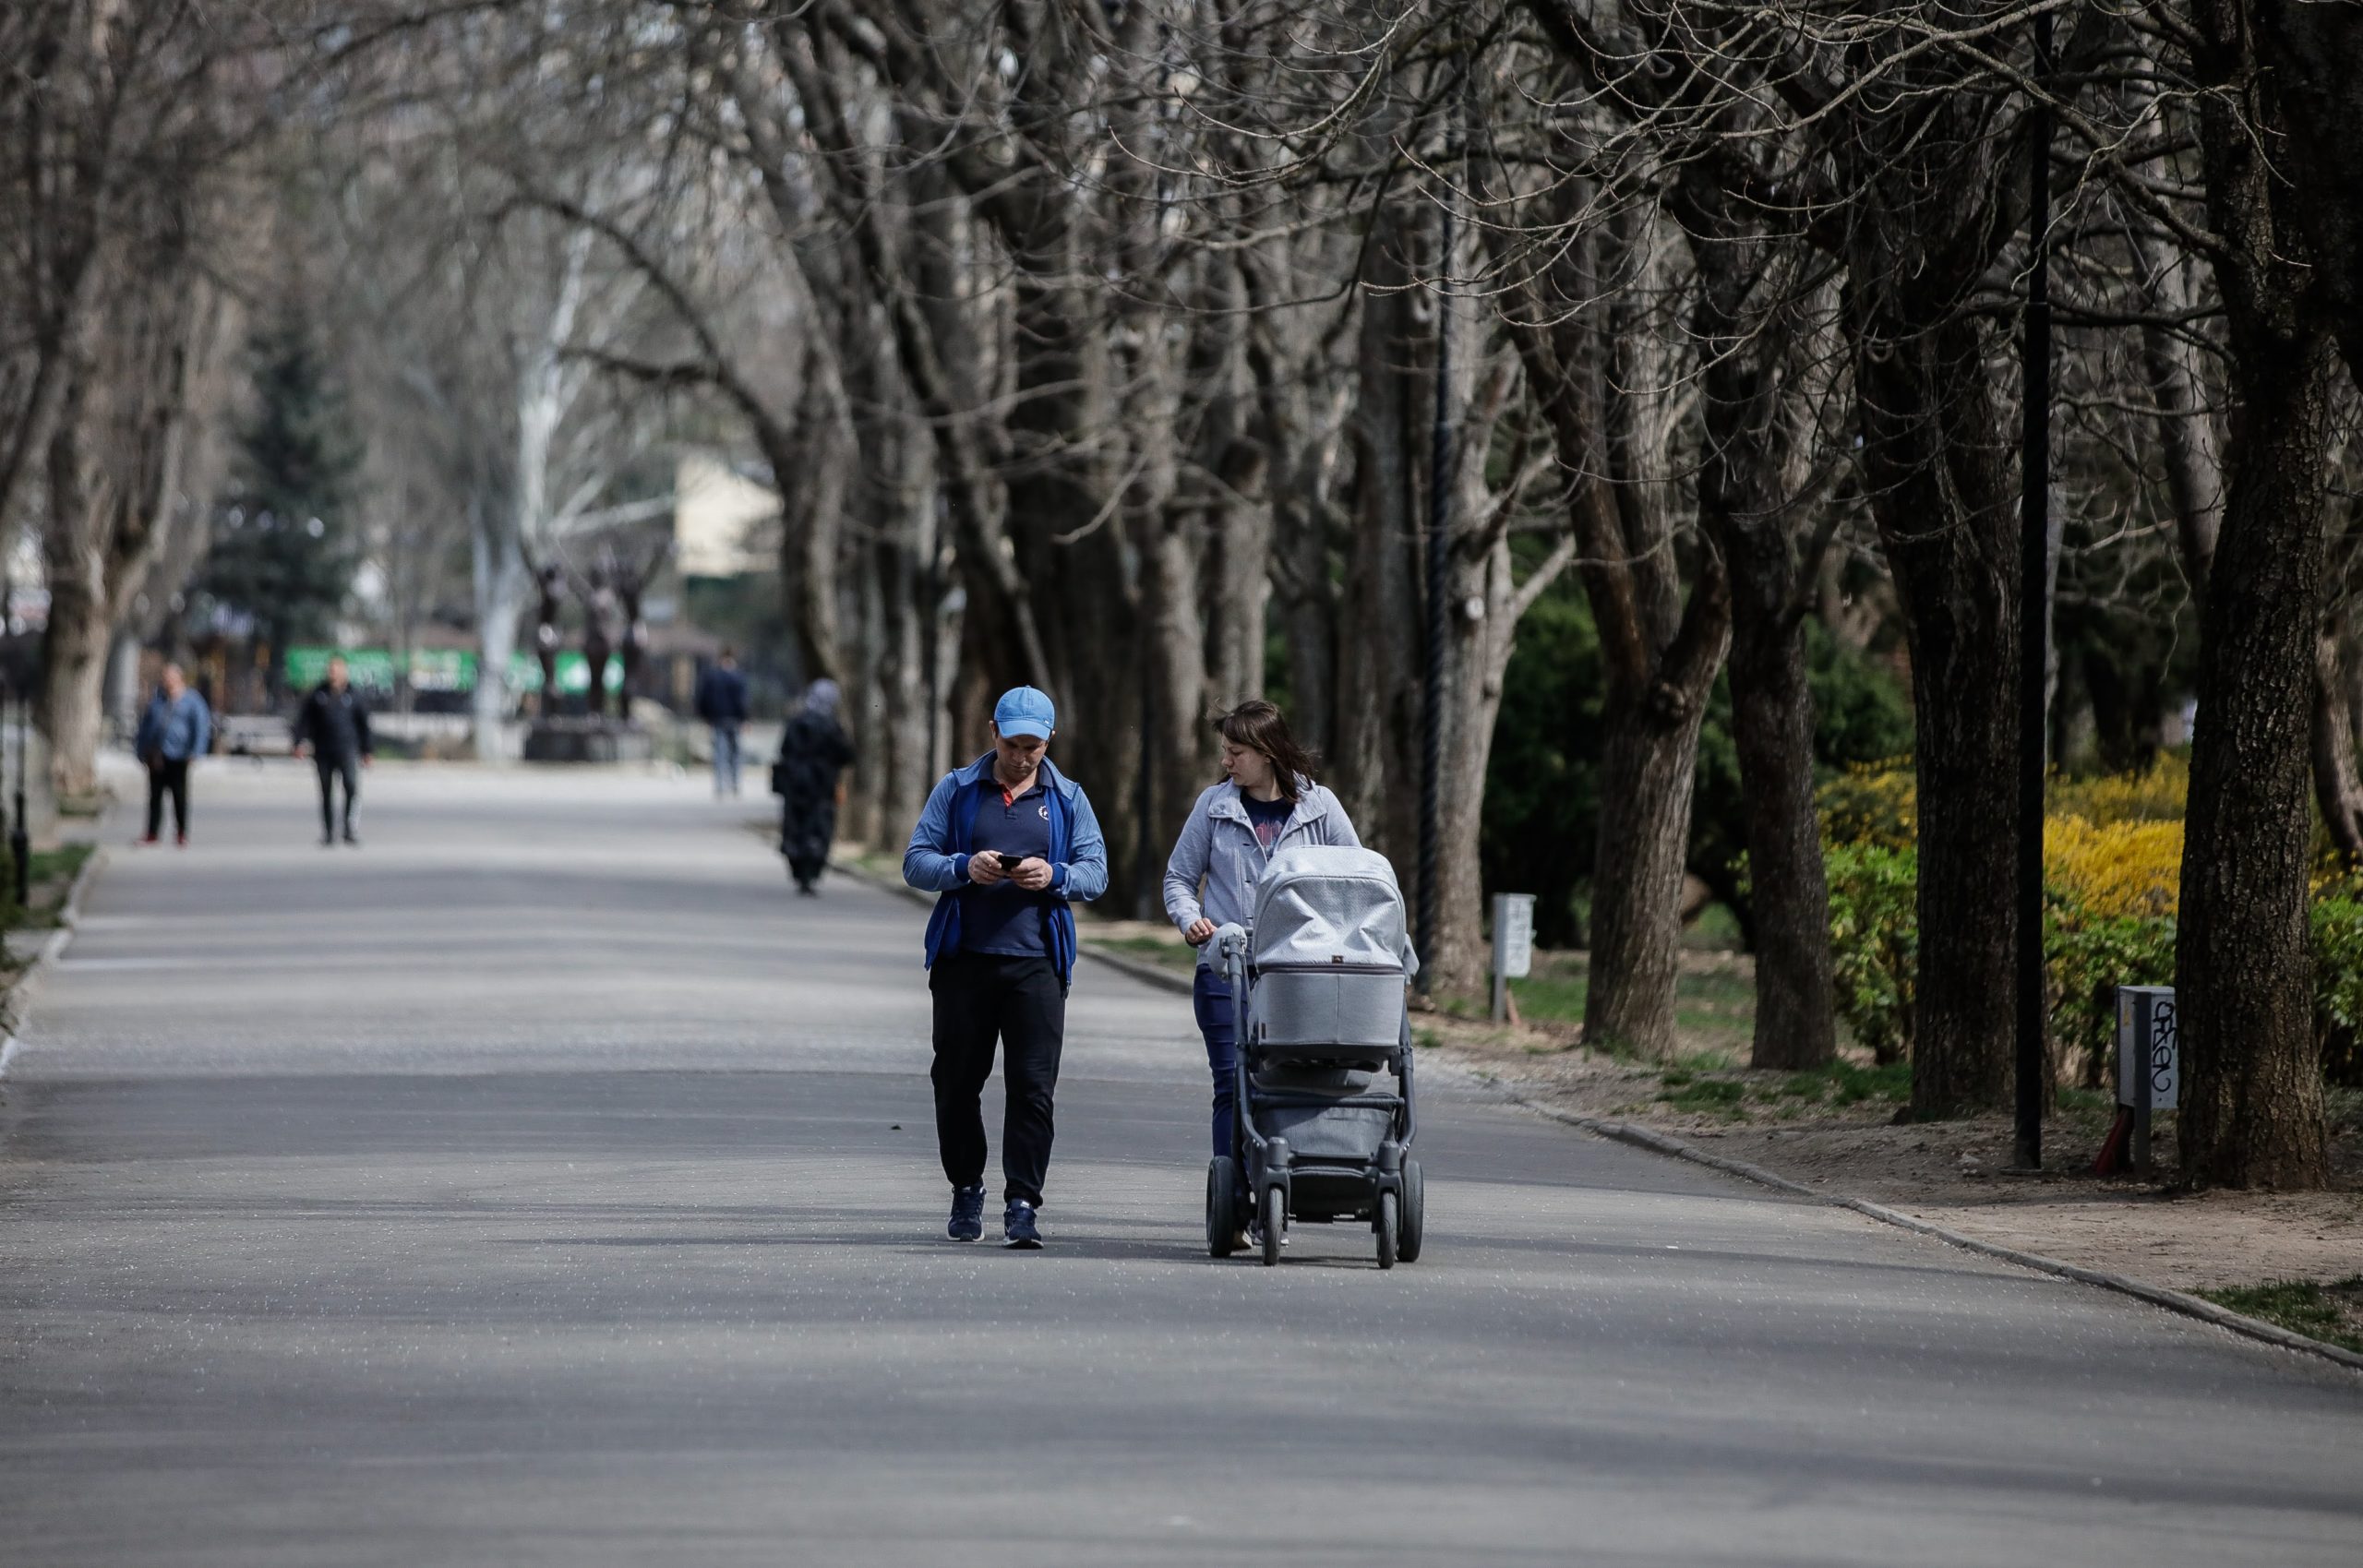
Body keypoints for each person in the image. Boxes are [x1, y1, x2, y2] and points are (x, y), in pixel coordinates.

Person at [904, 686, 1108, 1249]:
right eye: (1013, 743)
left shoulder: (1067, 798)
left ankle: (1023, 1203)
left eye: (1033, 747)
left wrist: (1056, 876)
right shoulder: (958, 789)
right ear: (992, 731)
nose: (1022, 757)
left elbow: (1096, 870)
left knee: (1033, 1088)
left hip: (1036, 964)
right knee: (955, 1082)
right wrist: (965, 867)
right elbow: (915, 862)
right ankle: (966, 1187)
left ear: (1049, 742)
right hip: (964, 962)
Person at [1163, 700, 1361, 1239]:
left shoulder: (1320, 808)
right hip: (1226, 970)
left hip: (1301, 975)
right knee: (1232, 1082)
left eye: (1237, 752)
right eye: (1225, 751)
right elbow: (1179, 879)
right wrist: (1191, 921)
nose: (1227, 761)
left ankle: (1282, 1179)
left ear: (1268, 753)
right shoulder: (1213, 807)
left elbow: (1356, 879)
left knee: (1288, 1080)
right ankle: (1235, 1202)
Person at [774, 678, 854, 892]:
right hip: (822, 785)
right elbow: (846, 754)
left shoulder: (797, 720)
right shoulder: (832, 725)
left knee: (795, 825)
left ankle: (798, 865)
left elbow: (784, 749)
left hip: (796, 782)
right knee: (818, 827)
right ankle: (811, 869)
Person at [292, 654, 374, 846]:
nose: (333, 674)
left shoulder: (354, 695)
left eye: (337, 670)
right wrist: (298, 742)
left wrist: (367, 750)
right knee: (326, 792)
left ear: (344, 671)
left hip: (347, 750)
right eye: (330, 670)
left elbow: (364, 725)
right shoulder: (318, 694)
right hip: (323, 750)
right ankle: (329, 832)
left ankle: (349, 829)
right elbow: (304, 721)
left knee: (352, 788)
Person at [133, 663, 211, 848]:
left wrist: (196, 751)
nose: (165, 681)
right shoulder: (157, 700)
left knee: (179, 796)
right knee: (155, 796)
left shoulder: (192, 701)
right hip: (157, 755)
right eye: (164, 677)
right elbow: (146, 727)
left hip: (179, 754)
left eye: (169, 677)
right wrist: (140, 750)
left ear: (179, 678)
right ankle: (152, 833)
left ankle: (182, 833)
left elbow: (201, 727)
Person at [694, 647, 752, 796]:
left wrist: (705, 717)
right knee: (735, 753)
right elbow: (743, 701)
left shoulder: (712, 677)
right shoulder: (738, 677)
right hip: (735, 719)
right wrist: (745, 719)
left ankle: (720, 784)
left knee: (720, 753)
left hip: (717, 719)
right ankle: (735, 783)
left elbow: (703, 699)